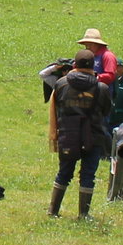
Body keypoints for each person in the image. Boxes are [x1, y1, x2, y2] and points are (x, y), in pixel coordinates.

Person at [41, 50, 112, 217]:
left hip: (68, 135)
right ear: (92, 66)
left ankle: (53, 211)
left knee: (64, 173)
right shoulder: (101, 87)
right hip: (93, 136)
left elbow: (57, 108)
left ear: (75, 65)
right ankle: (83, 214)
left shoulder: (61, 84)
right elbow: (107, 110)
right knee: (88, 175)